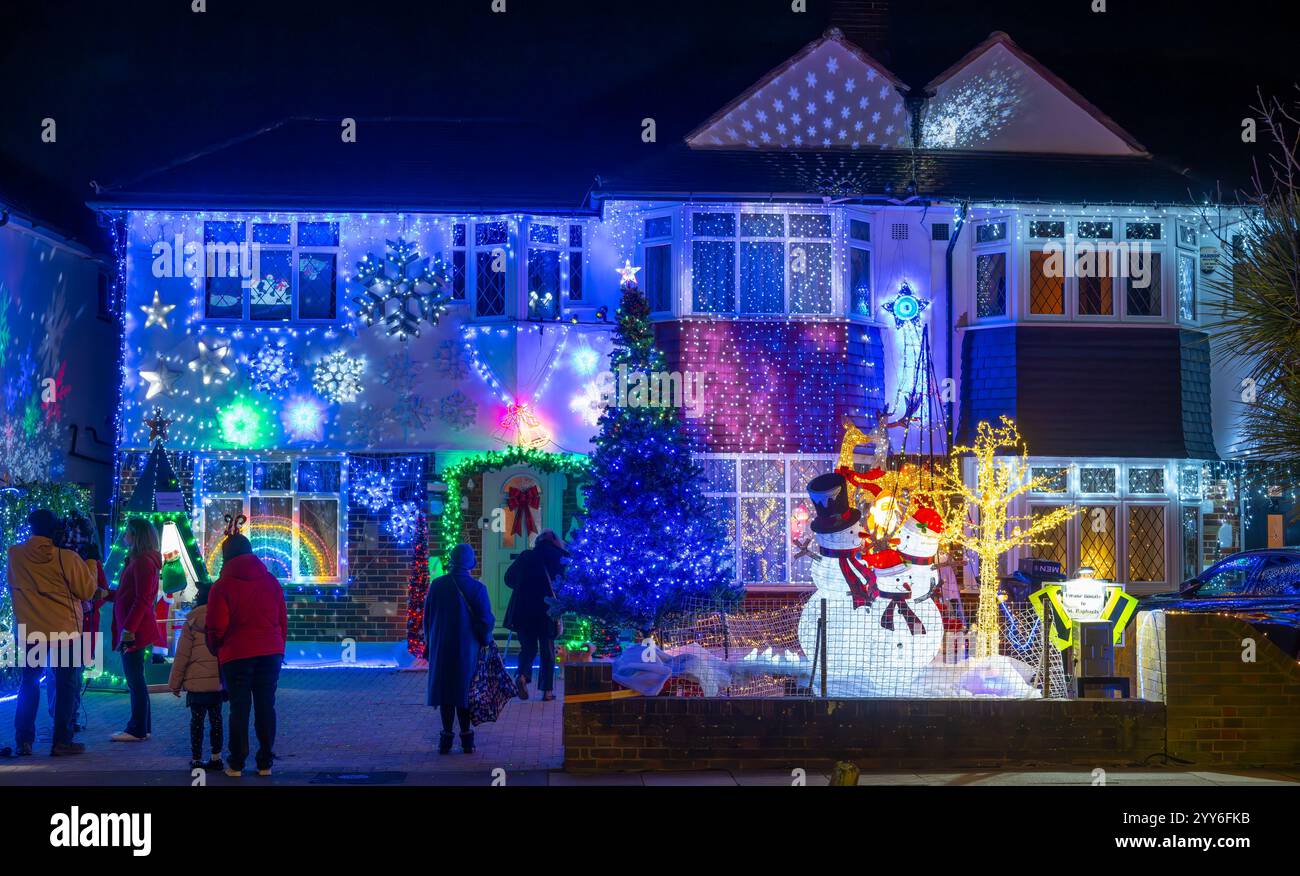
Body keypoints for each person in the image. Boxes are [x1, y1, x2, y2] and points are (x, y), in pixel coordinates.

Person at [7, 508, 98, 756]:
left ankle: (23, 740)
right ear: (56, 531)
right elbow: (87, 590)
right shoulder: (66, 558)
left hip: (30, 631)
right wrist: (90, 561)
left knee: (29, 683)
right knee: (66, 685)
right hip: (64, 631)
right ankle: (62, 741)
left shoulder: (14, 554)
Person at [206, 519, 287, 778]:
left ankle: (236, 763)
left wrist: (215, 647)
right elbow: (281, 619)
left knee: (239, 708)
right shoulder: (271, 581)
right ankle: (265, 762)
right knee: (266, 707)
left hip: (237, 654)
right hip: (270, 653)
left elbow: (216, 625)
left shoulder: (222, 586)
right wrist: (279, 647)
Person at [424, 543, 493, 754]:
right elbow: (486, 620)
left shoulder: (437, 585)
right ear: (471, 563)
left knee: (445, 693)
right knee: (464, 693)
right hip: (467, 648)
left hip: (441, 646)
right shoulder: (478, 588)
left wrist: (430, 643)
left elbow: (428, 618)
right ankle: (466, 739)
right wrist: (485, 640)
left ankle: (445, 738)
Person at [111, 518, 164, 742]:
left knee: (135, 680)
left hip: (135, 630)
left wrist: (129, 629)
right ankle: (143, 726)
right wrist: (108, 595)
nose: (125, 535)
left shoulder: (142, 562)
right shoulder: (141, 561)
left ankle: (137, 729)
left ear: (136, 535)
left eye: (128, 532)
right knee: (137, 679)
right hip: (134, 628)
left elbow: (142, 599)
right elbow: (131, 594)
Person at [168, 580, 225, 770]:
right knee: (216, 720)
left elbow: (182, 655)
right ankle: (216, 757)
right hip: (217, 682)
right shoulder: (223, 619)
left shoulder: (191, 622)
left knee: (197, 721)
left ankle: (196, 758)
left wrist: (175, 684)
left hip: (196, 684)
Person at [504, 529, 566, 702]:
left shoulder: (526, 556)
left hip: (524, 609)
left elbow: (508, 578)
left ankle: (522, 676)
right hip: (547, 610)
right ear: (555, 541)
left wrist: (523, 586)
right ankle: (547, 691)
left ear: (538, 541)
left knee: (528, 647)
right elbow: (564, 584)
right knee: (547, 650)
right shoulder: (559, 557)